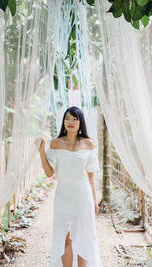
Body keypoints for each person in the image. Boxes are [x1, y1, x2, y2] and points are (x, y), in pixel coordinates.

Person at [38, 106, 102, 267]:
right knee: (65, 239)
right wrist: (41, 152)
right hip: (63, 195)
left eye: (75, 119)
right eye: (67, 118)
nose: (71, 122)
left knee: (84, 238)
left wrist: (94, 200)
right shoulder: (56, 143)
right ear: (63, 122)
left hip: (83, 195)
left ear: (81, 122)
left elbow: (91, 175)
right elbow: (49, 173)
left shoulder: (89, 144)